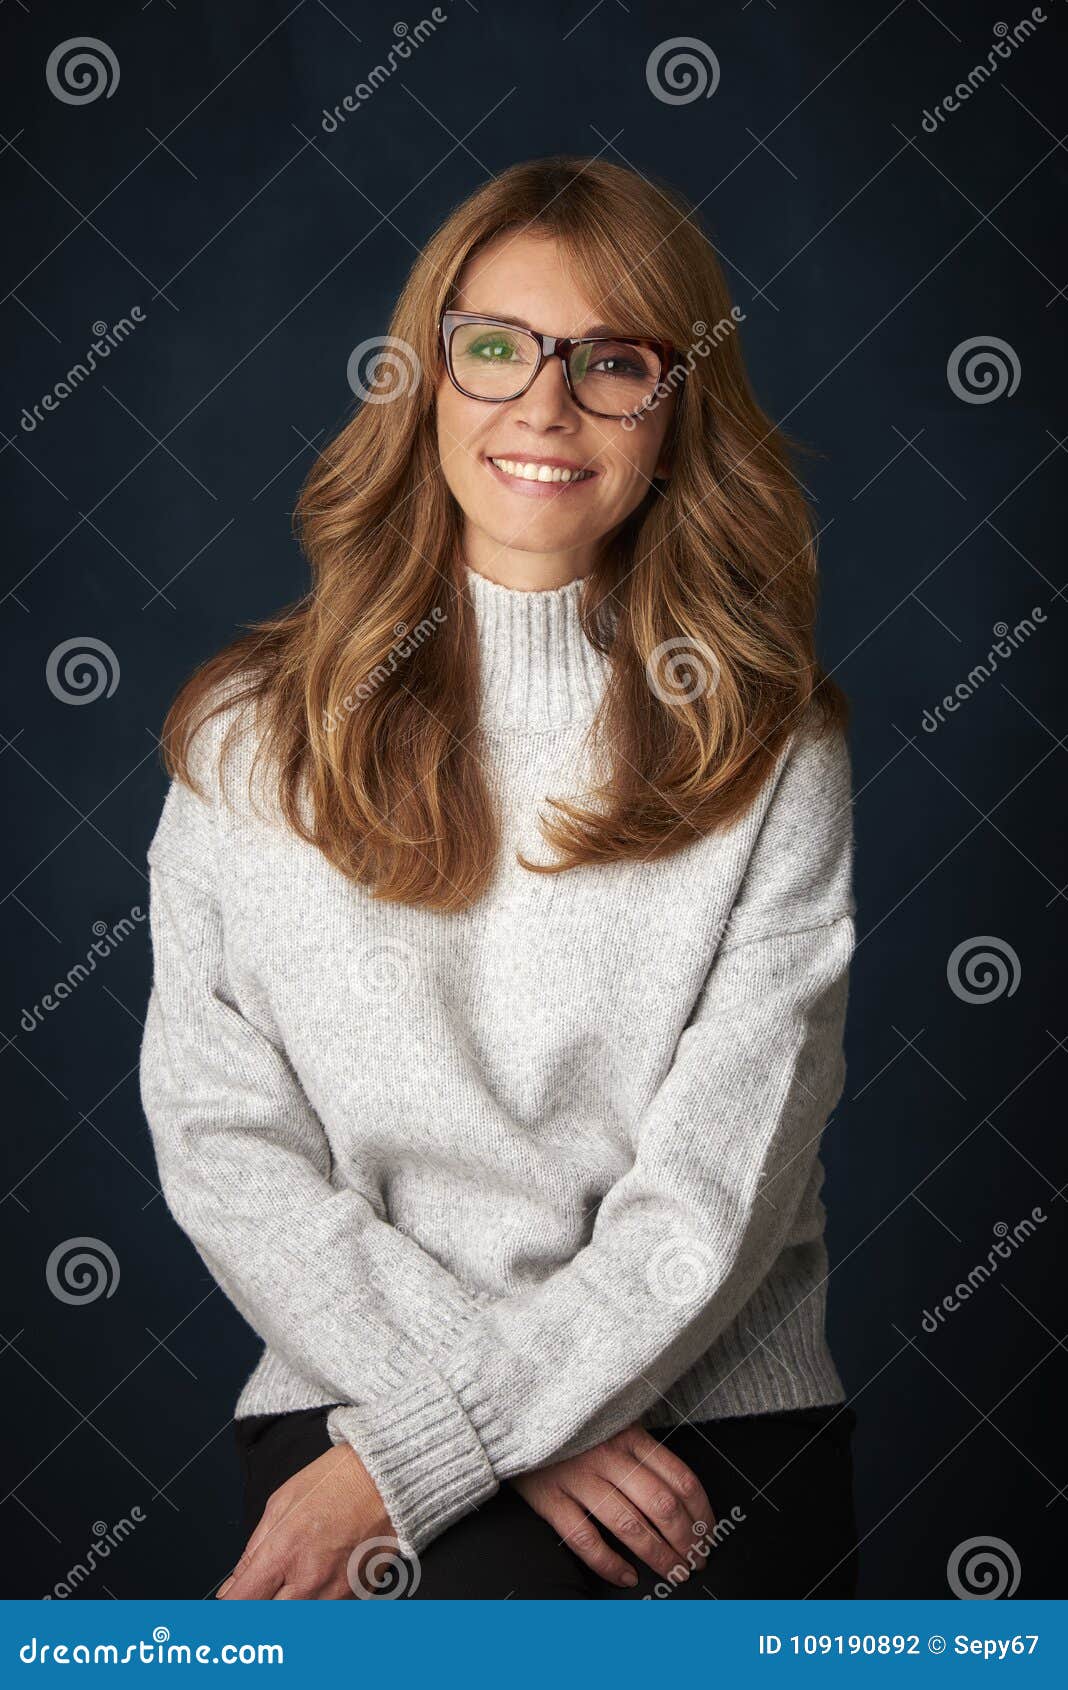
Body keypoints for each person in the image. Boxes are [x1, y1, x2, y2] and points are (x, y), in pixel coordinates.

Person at [139, 155, 859, 1601]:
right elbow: (224, 1143)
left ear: (676, 406)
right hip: (347, 1401)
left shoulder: (771, 744)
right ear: (428, 375)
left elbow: (710, 1198)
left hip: (700, 1444)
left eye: (612, 362)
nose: (544, 404)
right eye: (496, 349)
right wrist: (468, 1425)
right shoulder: (245, 737)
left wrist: (454, 1428)